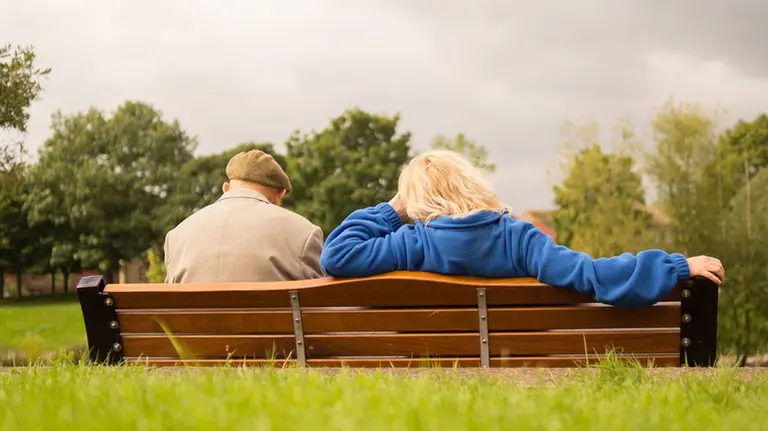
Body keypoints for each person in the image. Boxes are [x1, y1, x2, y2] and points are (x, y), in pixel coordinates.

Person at [320, 150, 724, 307]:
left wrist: (393, 210)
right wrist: (675, 266)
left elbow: (337, 254)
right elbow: (592, 275)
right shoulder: (520, 239)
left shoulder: (411, 242)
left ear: (417, 202)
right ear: (471, 185)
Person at [164, 150, 325, 283]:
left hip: (193, 323)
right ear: (280, 194)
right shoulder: (304, 233)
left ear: (226, 188)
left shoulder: (176, 236)